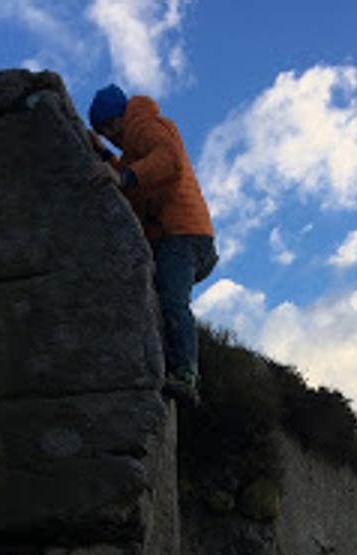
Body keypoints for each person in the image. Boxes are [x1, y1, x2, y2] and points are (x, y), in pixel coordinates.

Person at [87, 83, 217, 405]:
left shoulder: (146, 126)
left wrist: (124, 176)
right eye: (103, 133)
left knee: (173, 301)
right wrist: (105, 157)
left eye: (110, 127)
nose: (110, 135)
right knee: (160, 301)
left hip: (184, 235)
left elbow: (168, 160)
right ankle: (172, 370)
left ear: (121, 115)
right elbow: (131, 176)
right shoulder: (133, 147)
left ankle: (186, 372)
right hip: (175, 238)